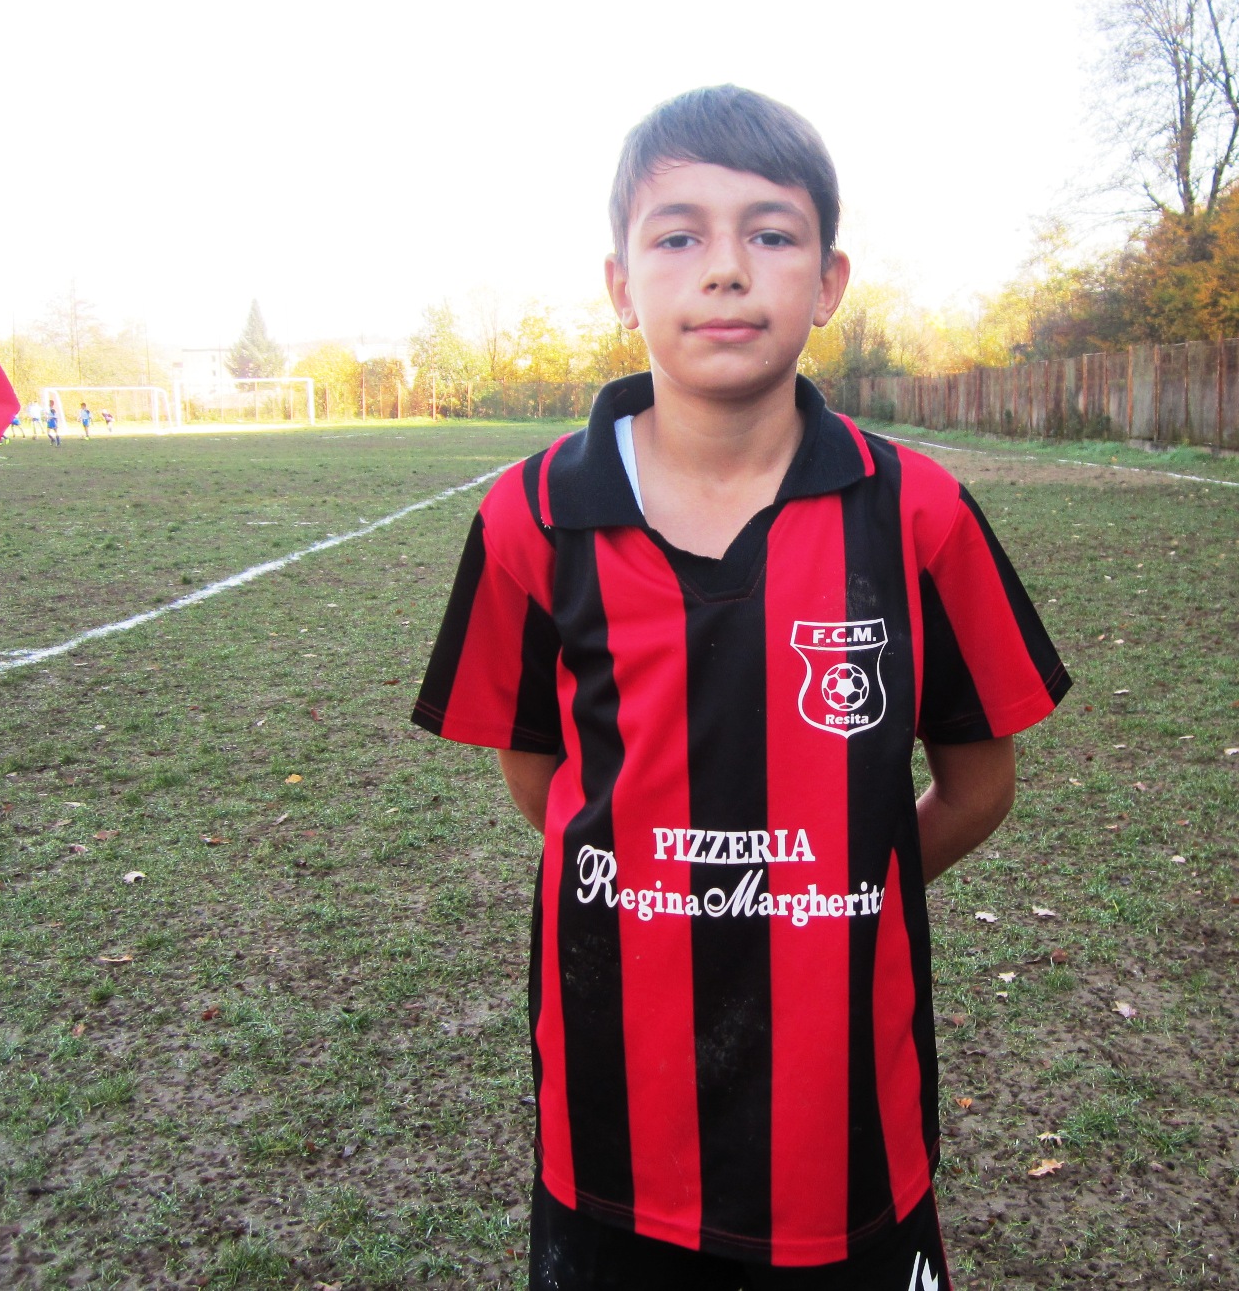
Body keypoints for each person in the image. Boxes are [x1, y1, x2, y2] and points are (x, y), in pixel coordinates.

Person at [412, 85, 1069, 1291]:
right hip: (610, 1127)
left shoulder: (916, 513)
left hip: (844, 1135)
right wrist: (676, 885)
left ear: (828, 282)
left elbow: (979, 786)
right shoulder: (531, 517)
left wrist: (832, 889)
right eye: (677, 236)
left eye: (770, 233)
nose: (724, 268)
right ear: (620, 283)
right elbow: (540, 776)